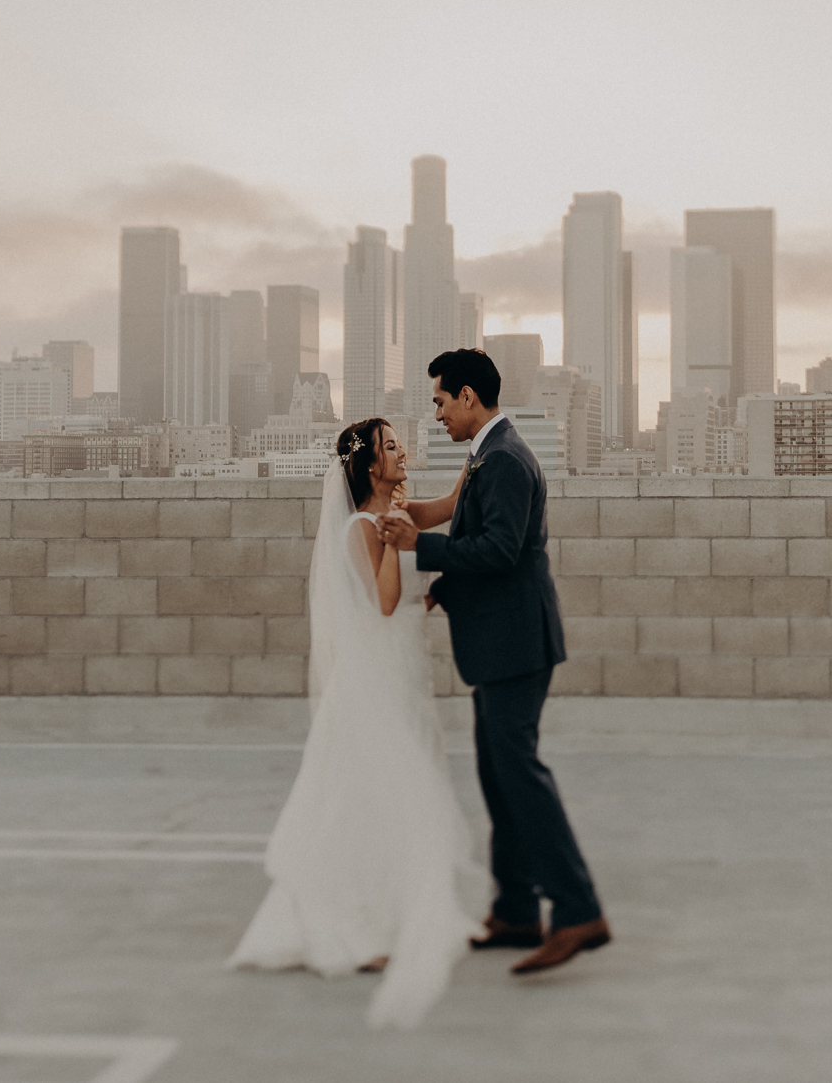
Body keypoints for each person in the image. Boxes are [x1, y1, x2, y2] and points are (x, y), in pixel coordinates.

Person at [229, 417, 490, 1028]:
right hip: (372, 681)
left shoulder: (393, 517)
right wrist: (400, 543)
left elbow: (450, 509)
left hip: (398, 670)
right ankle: (354, 924)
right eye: (391, 447)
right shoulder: (361, 526)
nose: (402, 453)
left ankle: (394, 912)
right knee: (374, 791)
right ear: (371, 465)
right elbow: (383, 600)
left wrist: (474, 459)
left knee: (396, 790)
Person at [384, 347, 611, 974]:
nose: (434, 416)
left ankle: (578, 909)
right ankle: (515, 910)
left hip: (516, 645)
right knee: (498, 775)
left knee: (521, 777)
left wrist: (421, 550)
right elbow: (462, 521)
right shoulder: (488, 452)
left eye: (437, 401)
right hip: (501, 642)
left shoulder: (505, 458)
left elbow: (500, 551)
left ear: (466, 397)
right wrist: (411, 529)